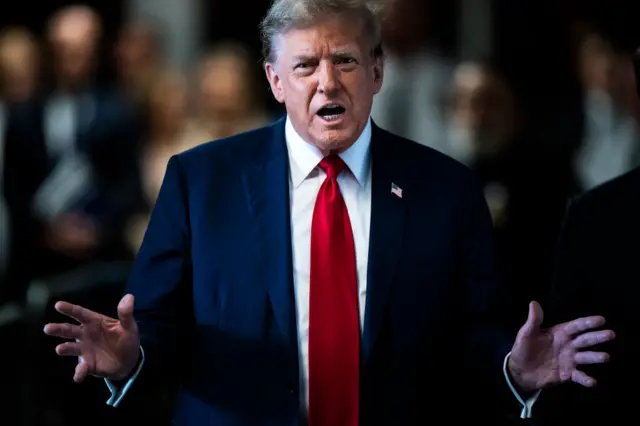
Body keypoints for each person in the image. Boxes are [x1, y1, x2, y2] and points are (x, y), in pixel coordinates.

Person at [43, 1, 614, 425]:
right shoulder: (201, 180)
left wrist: (514, 371)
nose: (327, 82)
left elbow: (479, 333)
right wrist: (128, 357)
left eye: (344, 60)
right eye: (305, 66)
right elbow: (158, 325)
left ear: (376, 73)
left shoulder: (446, 189)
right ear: (274, 81)